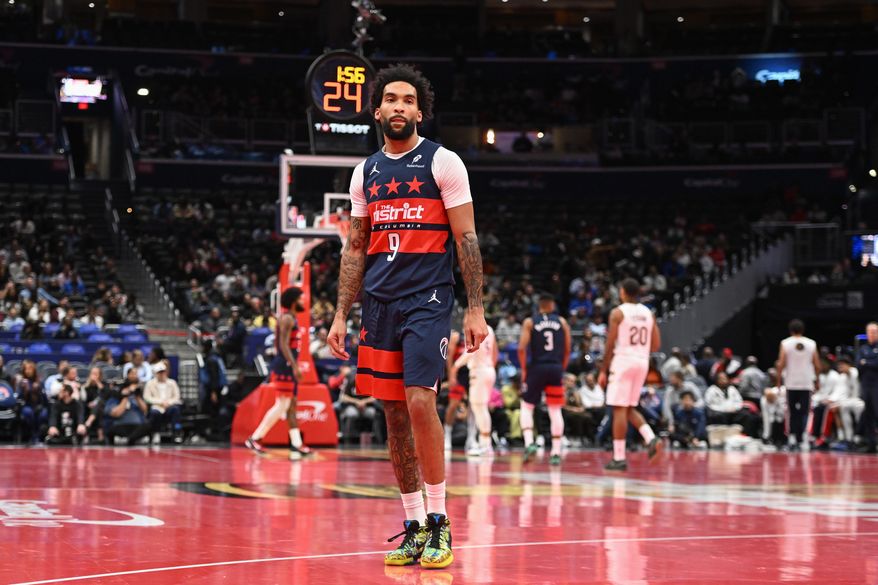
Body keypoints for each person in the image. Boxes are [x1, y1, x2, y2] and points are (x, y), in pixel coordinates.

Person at [327, 64, 487, 570]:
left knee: (421, 402)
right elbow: (355, 249)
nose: (399, 107)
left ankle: (441, 523)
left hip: (429, 298)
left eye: (408, 100)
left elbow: (466, 239)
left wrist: (476, 308)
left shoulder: (444, 163)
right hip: (379, 303)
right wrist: (339, 315)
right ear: (377, 111)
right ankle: (415, 525)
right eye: (390, 99)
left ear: (421, 110)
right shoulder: (365, 172)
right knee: (393, 413)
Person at [598, 278, 662, 471]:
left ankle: (618, 457)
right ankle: (651, 438)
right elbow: (656, 345)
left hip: (623, 360)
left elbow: (610, 344)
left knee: (618, 409)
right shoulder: (647, 313)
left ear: (623, 292)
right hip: (642, 362)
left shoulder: (618, 312)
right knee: (628, 408)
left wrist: (603, 368)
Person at [245, 288, 310, 460]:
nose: (304, 302)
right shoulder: (287, 318)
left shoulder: (289, 317)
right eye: (301, 299)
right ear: (294, 301)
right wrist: (295, 365)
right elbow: (283, 345)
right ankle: (255, 437)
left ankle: (297, 444)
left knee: (291, 405)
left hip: (287, 364)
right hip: (285, 366)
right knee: (282, 404)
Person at [517, 293, 571, 466]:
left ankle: (529, 443)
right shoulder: (562, 322)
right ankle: (555, 452)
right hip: (555, 367)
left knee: (527, 406)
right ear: (552, 304)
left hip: (537, 368)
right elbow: (568, 349)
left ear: (539, 305)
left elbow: (521, 348)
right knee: (555, 410)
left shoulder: (530, 322)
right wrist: (561, 367)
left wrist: (524, 369)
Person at [450, 324, 498, 456]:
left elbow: (471, 350)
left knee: (479, 408)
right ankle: (484, 444)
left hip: (479, 371)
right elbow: (494, 351)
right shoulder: (490, 328)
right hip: (489, 369)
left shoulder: (473, 328)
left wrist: (456, 366)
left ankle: (485, 445)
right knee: (481, 408)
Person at [777, 318, 819, 451]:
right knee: (805, 411)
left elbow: (780, 363)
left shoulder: (785, 343)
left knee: (792, 411)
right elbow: (817, 364)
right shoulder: (811, 343)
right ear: (803, 330)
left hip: (791, 382)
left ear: (790, 330)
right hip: (806, 382)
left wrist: (778, 381)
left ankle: (793, 437)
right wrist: (817, 380)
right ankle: (804, 438)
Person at [856, 322, 878, 453]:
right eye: (869, 331)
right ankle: (871, 443)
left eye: (874, 331)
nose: (872, 334)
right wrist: (871, 363)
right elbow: (858, 364)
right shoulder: (863, 348)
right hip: (866, 385)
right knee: (868, 414)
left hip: (877, 385)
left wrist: (866, 362)